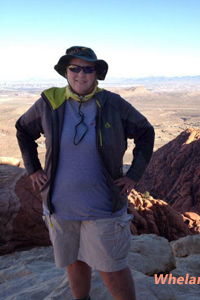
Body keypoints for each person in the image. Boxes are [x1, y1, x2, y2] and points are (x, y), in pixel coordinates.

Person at [15, 46, 155, 300]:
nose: (81, 74)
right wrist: (33, 169)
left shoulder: (111, 104)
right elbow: (23, 130)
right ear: (66, 72)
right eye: (74, 68)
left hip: (103, 206)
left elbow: (145, 132)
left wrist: (133, 175)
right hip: (61, 206)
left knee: (111, 268)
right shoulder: (50, 102)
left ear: (96, 74)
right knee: (75, 261)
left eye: (88, 69)